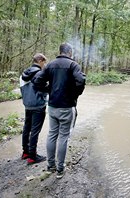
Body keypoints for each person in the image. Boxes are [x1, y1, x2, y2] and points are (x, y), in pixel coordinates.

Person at [32, 43, 86, 179]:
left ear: (60, 51)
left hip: (52, 106)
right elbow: (80, 81)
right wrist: (74, 95)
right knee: (63, 137)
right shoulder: (73, 65)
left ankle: (50, 167)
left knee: (52, 134)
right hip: (67, 107)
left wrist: (49, 90)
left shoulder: (50, 65)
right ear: (69, 52)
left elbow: (37, 81)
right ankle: (60, 169)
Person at [20, 53, 48, 165]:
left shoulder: (23, 74)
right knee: (35, 131)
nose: (44, 65)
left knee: (27, 128)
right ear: (40, 60)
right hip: (38, 106)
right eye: (44, 62)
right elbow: (43, 90)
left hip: (27, 105)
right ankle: (32, 156)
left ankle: (25, 152)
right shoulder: (40, 74)